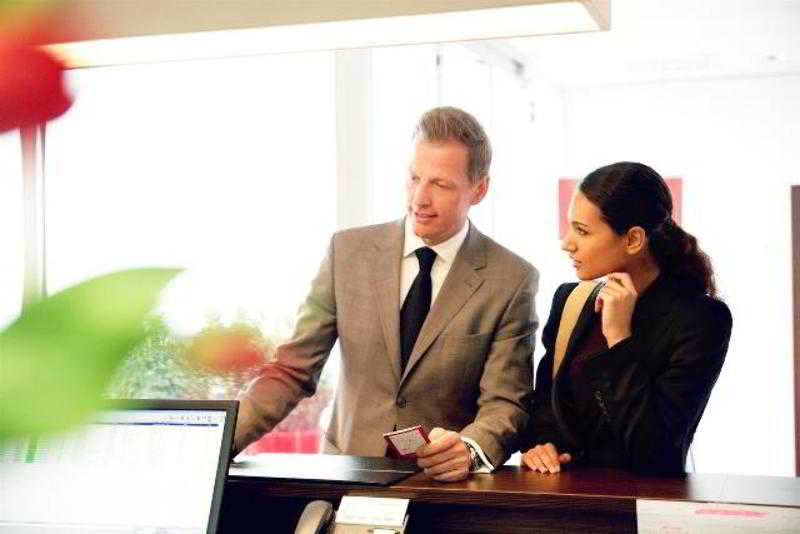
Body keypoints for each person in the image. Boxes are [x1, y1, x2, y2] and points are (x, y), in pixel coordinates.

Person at [235, 106, 538, 482]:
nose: (420, 198)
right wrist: (221, 442)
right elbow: (291, 371)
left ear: (479, 189)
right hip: (347, 476)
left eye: (440, 185)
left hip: (441, 487)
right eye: (414, 178)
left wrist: (470, 447)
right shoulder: (348, 252)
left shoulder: (511, 279)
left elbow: (506, 402)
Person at [521, 161, 731, 475]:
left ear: (633, 239)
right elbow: (545, 409)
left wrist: (618, 338)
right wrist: (540, 446)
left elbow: (656, 451)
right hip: (562, 495)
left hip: (645, 501)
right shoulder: (570, 300)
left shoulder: (702, 320)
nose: (566, 243)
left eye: (582, 231)